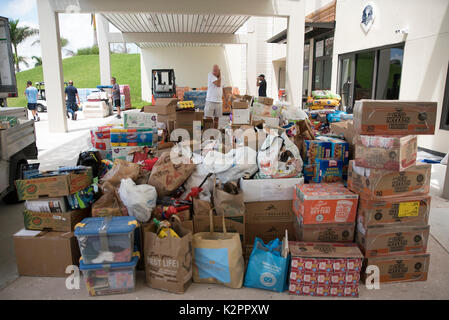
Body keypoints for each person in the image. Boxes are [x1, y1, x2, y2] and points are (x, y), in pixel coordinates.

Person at [205, 64, 223, 129]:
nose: (214, 72)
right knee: (208, 118)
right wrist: (220, 75)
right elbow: (218, 84)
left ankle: (215, 132)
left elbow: (223, 88)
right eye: (213, 71)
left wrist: (226, 100)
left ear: (219, 71)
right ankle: (209, 131)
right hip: (210, 100)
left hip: (219, 101)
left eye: (216, 71)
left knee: (216, 120)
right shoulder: (210, 75)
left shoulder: (222, 77)